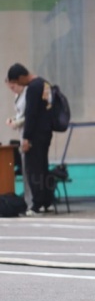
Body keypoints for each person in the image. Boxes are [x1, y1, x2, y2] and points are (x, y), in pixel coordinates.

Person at [6, 64, 54, 215]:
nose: (19, 85)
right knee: (43, 167)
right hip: (46, 132)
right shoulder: (45, 83)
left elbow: (31, 114)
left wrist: (26, 137)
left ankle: (36, 204)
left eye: (17, 82)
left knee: (33, 169)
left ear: (21, 77)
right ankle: (47, 202)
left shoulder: (32, 88)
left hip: (35, 134)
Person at [5, 78, 33, 210]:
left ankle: (33, 201)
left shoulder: (28, 93)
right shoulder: (18, 96)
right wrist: (14, 120)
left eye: (13, 87)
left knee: (30, 169)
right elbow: (19, 113)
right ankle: (27, 201)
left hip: (29, 133)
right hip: (21, 133)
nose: (12, 90)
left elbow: (29, 115)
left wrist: (18, 122)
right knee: (25, 168)